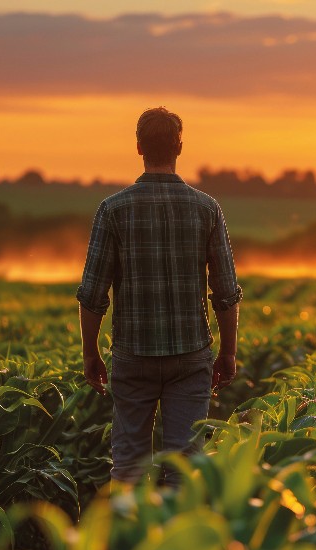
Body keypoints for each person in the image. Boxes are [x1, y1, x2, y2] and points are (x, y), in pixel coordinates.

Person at [76, 107, 242, 490]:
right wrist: (229, 351)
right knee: (184, 469)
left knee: (129, 468)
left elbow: (92, 294)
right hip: (190, 356)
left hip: (133, 356)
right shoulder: (207, 208)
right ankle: (178, 545)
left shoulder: (112, 209)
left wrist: (90, 353)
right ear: (179, 147)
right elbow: (226, 292)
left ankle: (127, 545)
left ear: (138, 147)